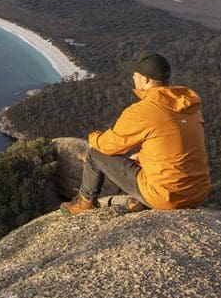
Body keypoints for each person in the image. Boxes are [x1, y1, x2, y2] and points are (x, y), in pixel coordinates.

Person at [61, 53, 211, 215]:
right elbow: (174, 147)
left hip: (167, 196)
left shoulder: (145, 110)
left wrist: (93, 137)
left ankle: (84, 204)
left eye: (136, 74)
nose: (133, 77)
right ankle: (143, 201)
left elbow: (108, 146)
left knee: (95, 154)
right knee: (138, 160)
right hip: (197, 193)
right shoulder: (190, 108)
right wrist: (142, 157)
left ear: (146, 80)